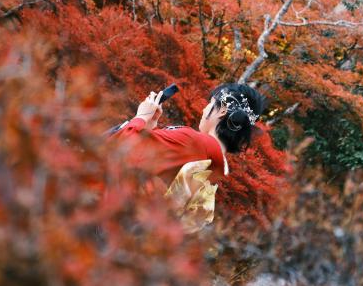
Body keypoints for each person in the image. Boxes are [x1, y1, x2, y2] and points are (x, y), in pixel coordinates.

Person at [112, 83, 266, 231]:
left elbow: (120, 150)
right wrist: (150, 128)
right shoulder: (214, 168)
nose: (205, 109)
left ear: (222, 111)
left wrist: (141, 117)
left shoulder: (192, 140)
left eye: (210, 103)